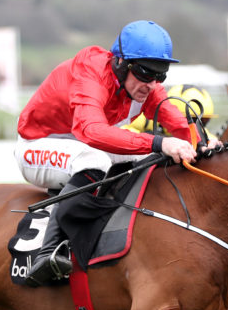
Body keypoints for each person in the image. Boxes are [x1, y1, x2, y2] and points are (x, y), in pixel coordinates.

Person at [14, 20, 216, 287]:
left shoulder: (145, 84)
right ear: (121, 63)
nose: (152, 84)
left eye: (160, 75)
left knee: (150, 159)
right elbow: (92, 132)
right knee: (96, 159)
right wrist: (159, 143)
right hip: (38, 145)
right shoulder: (90, 73)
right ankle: (48, 252)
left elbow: (178, 124)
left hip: (80, 144)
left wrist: (201, 144)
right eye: (145, 73)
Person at [123, 84, 218, 141]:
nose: (195, 125)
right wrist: (154, 141)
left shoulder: (202, 133)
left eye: (203, 121)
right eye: (191, 120)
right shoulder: (146, 120)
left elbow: (210, 138)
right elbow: (124, 130)